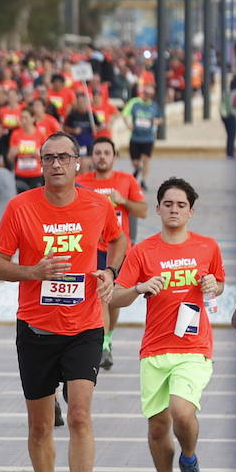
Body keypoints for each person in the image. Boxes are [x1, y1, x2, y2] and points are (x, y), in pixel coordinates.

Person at [0, 130, 125, 472]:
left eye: (64, 157)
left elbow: (118, 241)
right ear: (40, 164)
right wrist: (33, 272)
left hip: (84, 325)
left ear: (77, 163)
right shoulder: (20, 207)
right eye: (48, 158)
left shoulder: (98, 205)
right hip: (35, 328)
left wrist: (109, 272)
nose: (56, 164)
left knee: (81, 415)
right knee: (39, 426)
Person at [109, 177, 224, 472]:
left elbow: (217, 286)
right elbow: (115, 296)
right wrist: (140, 287)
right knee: (158, 425)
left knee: (181, 412)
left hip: (193, 347)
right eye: (168, 204)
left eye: (181, 205)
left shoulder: (208, 247)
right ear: (157, 209)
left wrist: (212, 284)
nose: (174, 210)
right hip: (154, 350)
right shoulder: (143, 251)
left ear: (191, 212)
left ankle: (188, 458)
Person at [76, 137, 148, 371]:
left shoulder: (126, 180)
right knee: (100, 298)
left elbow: (144, 210)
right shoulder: (81, 182)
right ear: (91, 156)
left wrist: (123, 200)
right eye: (97, 153)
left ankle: (107, 339)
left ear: (115, 157)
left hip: (119, 250)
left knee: (113, 300)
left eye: (107, 153)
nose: (102, 157)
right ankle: (102, 345)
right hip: (92, 250)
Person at [123, 84, 163, 185]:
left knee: (146, 159)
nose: (148, 96)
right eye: (146, 93)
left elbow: (160, 119)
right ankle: (137, 168)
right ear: (143, 93)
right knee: (135, 162)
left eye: (150, 94)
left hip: (148, 138)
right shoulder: (135, 103)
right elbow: (125, 114)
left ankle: (143, 180)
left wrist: (154, 122)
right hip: (135, 137)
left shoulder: (154, 106)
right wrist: (128, 125)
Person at [7, 106, 46, 194]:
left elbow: (46, 157)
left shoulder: (40, 135)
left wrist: (38, 154)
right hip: (20, 175)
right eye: (22, 118)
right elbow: (9, 158)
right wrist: (13, 153)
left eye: (26, 118)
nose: (23, 120)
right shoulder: (15, 134)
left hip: (36, 175)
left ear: (33, 119)